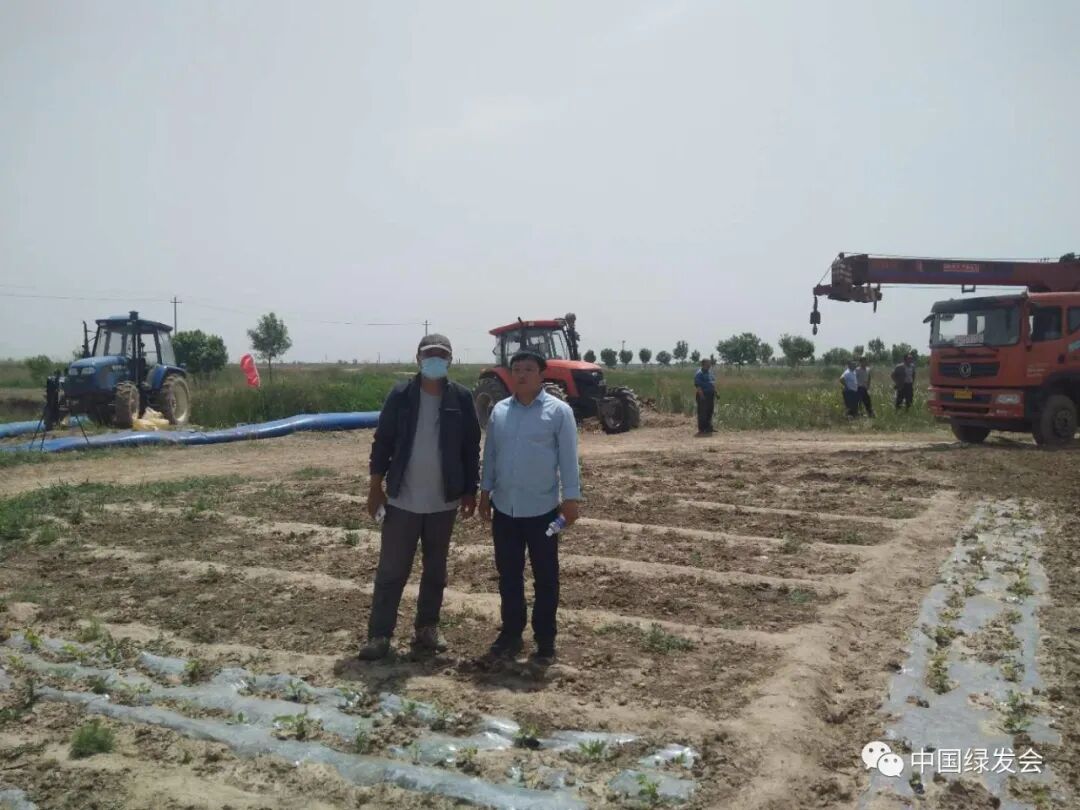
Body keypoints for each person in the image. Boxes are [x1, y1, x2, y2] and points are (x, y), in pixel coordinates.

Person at [359, 333, 481, 660]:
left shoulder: (461, 398)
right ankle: (380, 635)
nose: (435, 360)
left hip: (444, 501)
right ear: (418, 359)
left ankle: (427, 628)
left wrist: (470, 490)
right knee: (391, 570)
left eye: (442, 355)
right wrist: (375, 487)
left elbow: (471, 448)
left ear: (450, 360)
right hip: (402, 500)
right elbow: (382, 442)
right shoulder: (401, 395)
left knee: (435, 570)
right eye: (430, 355)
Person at [479, 350, 580, 666]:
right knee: (508, 575)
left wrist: (571, 499)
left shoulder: (559, 412)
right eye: (516, 369)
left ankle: (545, 639)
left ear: (541, 374)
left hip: (543, 511)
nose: (521, 374)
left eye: (528, 369)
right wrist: (484, 492)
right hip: (505, 510)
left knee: (546, 577)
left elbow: (568, 458)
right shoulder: (499, 412)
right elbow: (491, 455)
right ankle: (511, 634)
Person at [694, 358, 716, 435]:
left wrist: (715, 392)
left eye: (709, 363)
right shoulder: (699, 373)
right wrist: (702, 396)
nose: (709, 365)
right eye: (708, 364)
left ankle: (708, 428)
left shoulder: (710, 372)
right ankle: (702, 429)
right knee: (702, 412)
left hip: (710, 395)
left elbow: (712, 383)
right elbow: (698, 386)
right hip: (703, 395)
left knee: (710, 411)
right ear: (703, 364)